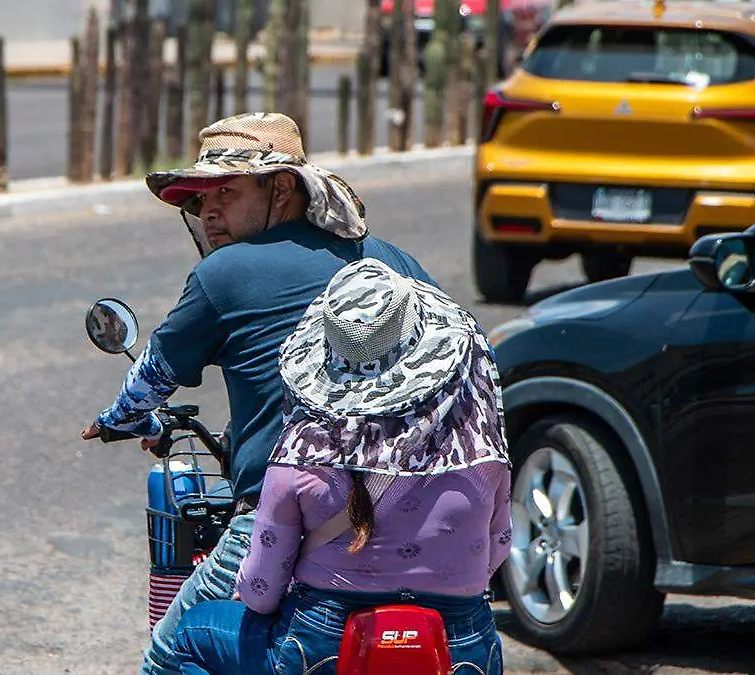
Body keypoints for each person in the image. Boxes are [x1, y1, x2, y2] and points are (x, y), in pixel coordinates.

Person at [80, 112, 439, 674]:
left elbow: (151, 378)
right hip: (421, 521)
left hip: (286, 525)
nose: (210, 211)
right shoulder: (394, 261)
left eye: (227, 190)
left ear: (282, 189)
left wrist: (119, 420)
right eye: (200, 201)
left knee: (169, 654)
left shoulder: (227, 273)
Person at [171, 259, 512, 675]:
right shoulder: (483, 455)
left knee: (189, 636)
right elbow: (496, 551)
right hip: (461, 644)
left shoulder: (299, 459)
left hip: (321, 644)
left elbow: (260, 593)